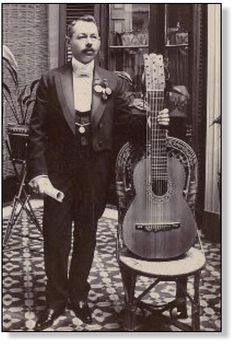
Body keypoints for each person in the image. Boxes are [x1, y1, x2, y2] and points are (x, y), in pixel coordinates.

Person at [27, 15, 169, 331]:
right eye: (81, 36)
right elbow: (36, 132)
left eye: (93, 36)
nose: (89, 42)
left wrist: (151, 122)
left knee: (87, 235)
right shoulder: (51, 80)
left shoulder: (113, 82)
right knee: (56, 236)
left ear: (99, 42)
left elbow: (125, 125)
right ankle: (54, 300)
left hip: (94, 172)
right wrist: (41, 175)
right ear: (69, 43)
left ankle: (78, 295)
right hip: (59, 174)